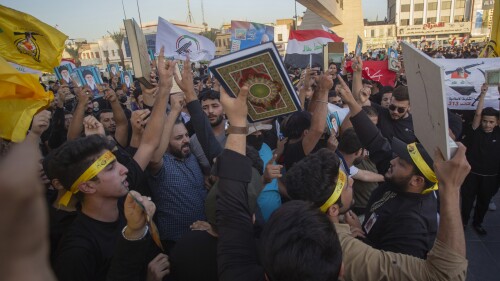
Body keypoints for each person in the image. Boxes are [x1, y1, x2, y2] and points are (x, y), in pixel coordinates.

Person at [214, 74, 469, 281]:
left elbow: (232, 212)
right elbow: (446, 274)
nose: (351, 181)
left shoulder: (242, 267)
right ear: (343, 272)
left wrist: (237, 124)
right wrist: (451, 190)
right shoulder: (342, 248)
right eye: (346, 182)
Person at [338, 75, 438, 258]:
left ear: (417, 180)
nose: (391, 161)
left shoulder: (411, 224)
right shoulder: (401, 178)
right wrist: (352, 102)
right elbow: (376, 142)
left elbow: (388, 268)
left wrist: (358, 235)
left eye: (400, 162)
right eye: (397, 157)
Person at [460, 84, 500, 235]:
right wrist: (483, 94)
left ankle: (478, 223)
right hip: (472, 174)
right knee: (467, 201)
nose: (487, 124)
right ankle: (463, 222)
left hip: (490, 177)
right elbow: (477, 114)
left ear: (496, 122)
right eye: (485, 121)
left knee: (483, 202)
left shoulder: (498, 133)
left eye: (491, 122)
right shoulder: (476, 131)